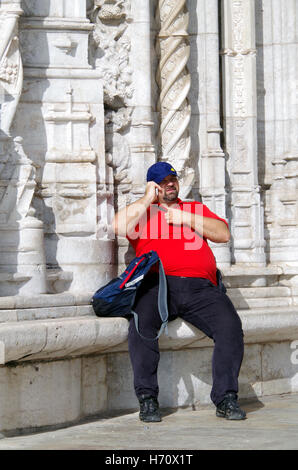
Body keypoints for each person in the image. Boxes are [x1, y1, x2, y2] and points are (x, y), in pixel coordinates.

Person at [113, 161, 246, 422]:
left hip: (201, 288)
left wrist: (187, 218)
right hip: (157, 286)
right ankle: (148, 399)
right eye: (162, 182)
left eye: (172, 179)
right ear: (153, 185)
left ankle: (226, 398)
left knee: (231, 327)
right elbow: (117, 226)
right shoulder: (144, 213)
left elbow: (223, 234)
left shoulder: (194, 208)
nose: (169, 184)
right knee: (140, 327)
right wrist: (146, 199)